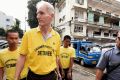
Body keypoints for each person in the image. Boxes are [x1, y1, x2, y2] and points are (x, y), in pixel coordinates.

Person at [15, 1, 61, 80]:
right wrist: (16, 77)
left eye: (41, 13)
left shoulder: (57, 36)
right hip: (33, 76)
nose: (38, 16)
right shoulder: (28, 34)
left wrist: (58, 72)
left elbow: (56, 57)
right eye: (37, 13)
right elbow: (22, 57)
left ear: (51, 15)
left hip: (51, 76)